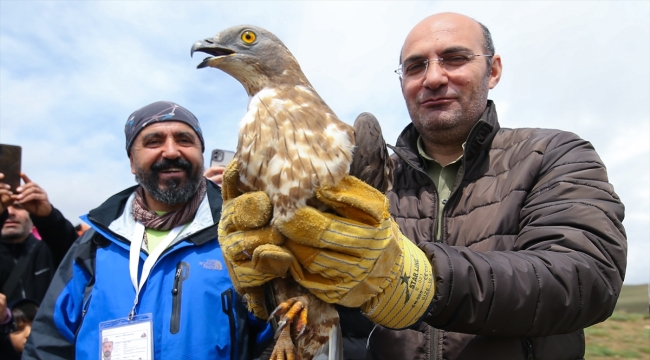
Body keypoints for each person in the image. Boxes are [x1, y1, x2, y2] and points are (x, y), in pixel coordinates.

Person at [217, 12, 627, 360]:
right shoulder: (368, 173)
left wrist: (416, 278)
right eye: (415, 67)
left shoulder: (553, 154)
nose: (433, 78)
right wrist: (273, 277)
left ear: (494, 70)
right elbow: (345, 297)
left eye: (455, 58)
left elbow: (585, 279)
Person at [23, 101, 271, 360]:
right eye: (154, 141)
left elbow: (277, 339)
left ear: (201, 152)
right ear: (132, 161)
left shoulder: (241, 236)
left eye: (185, 140)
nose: (172, 151)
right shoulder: (95, 244)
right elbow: (48, 343)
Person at [0, 172, 78, 305]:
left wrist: (48, 217)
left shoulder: (48, 251)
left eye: (18, 206)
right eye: (5, 207)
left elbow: (75, 252)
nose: (10, 213)